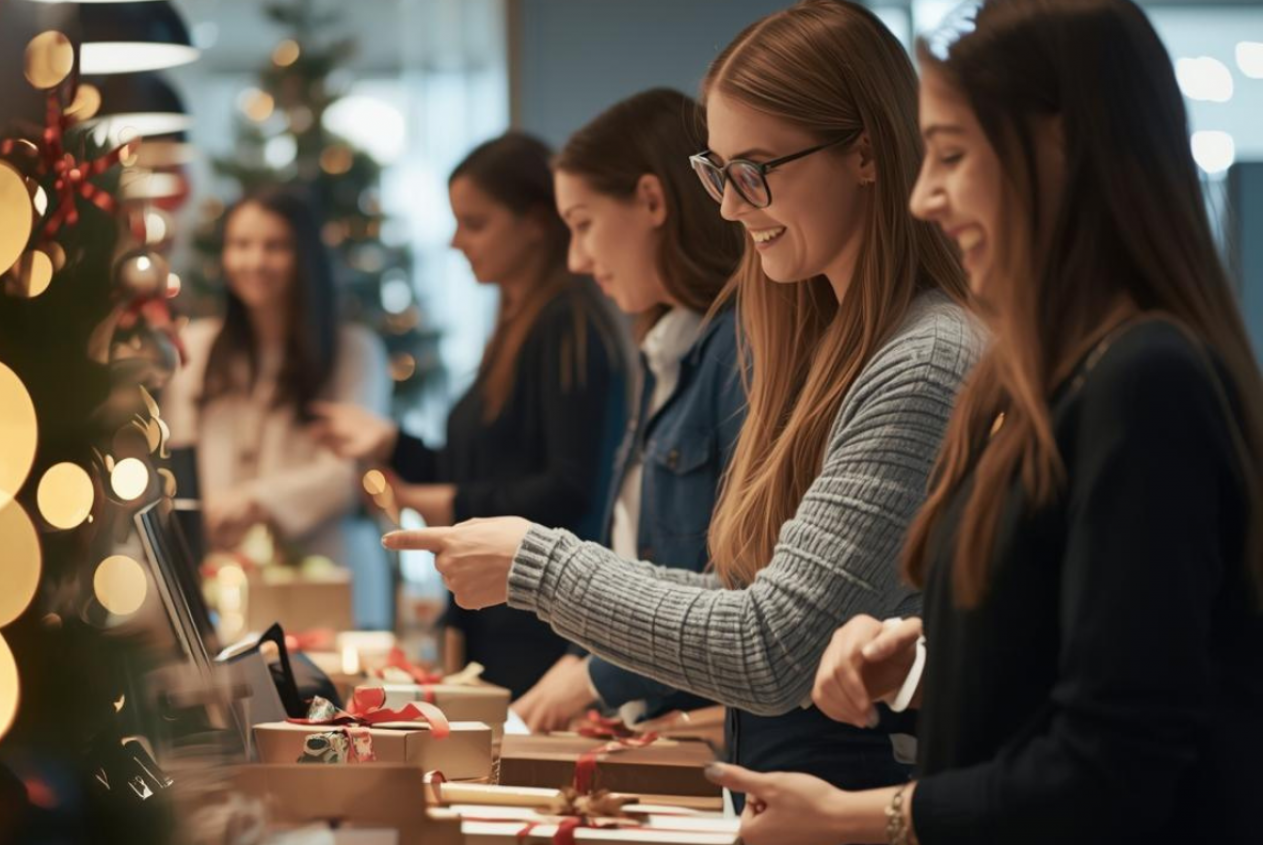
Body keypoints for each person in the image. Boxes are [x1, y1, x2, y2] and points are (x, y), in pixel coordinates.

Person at [384, 0, 980, 803]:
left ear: (866, 154)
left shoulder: (924, 358)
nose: (732, 206)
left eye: (753, 171)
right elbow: (751, 601)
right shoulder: (835, 345)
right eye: (718, 172)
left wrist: (537, 563)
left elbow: (770, 645)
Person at [703, 2, 1263, 844]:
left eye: (953, 157)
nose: (926, 195)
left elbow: (1114, 766)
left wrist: (865, 817)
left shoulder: (1145, 380)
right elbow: (1085, 650)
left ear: (1063, 149)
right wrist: (927, 663)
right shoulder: (1063, 374)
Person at [311, 133, 628, 698]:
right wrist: (392, 443)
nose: (457, 242)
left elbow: (571, 491)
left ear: (534, 223)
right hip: (506, 621)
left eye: (475, 224)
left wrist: (435, 503)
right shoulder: (518, 321)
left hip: (538, 634)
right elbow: (488, 465)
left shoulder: (567, 327)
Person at [510, 88, 746, 732]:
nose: (576, 259)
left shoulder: (739, 350)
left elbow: (747, 604)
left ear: (651, 200)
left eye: (583, 223)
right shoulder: (667, 351)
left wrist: (597, 673)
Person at [162, 187, 393, 629]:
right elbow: (180, 455)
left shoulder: (353, 351)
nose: (255, 261)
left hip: (323, 573)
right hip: (223, 576)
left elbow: (350, 475)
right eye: (241, 245)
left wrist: (255, 501)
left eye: (275, 246)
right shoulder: (196, 348)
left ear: (304, 256)